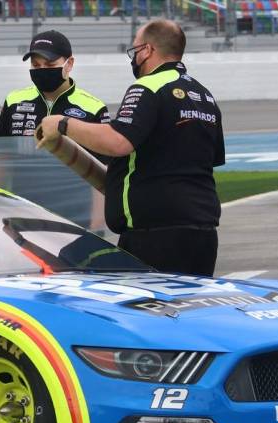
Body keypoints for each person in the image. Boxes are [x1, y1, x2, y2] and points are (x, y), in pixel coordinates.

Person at [36, 20, 225, 277]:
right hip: (202, 231)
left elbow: (118, 141)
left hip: (155, 234)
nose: (134, 57)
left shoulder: (147, 87)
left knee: (146, 310)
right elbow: (207, 160)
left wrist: (62, 124)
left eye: (134, 50)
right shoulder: (204, 95)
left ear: (147, 50)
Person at [0, 30, 110, 142]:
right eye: (36, 65)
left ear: (69, 64)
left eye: (50, 64)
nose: (42, 69)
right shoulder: (13, 101)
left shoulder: (94, 108)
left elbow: (106, 159)